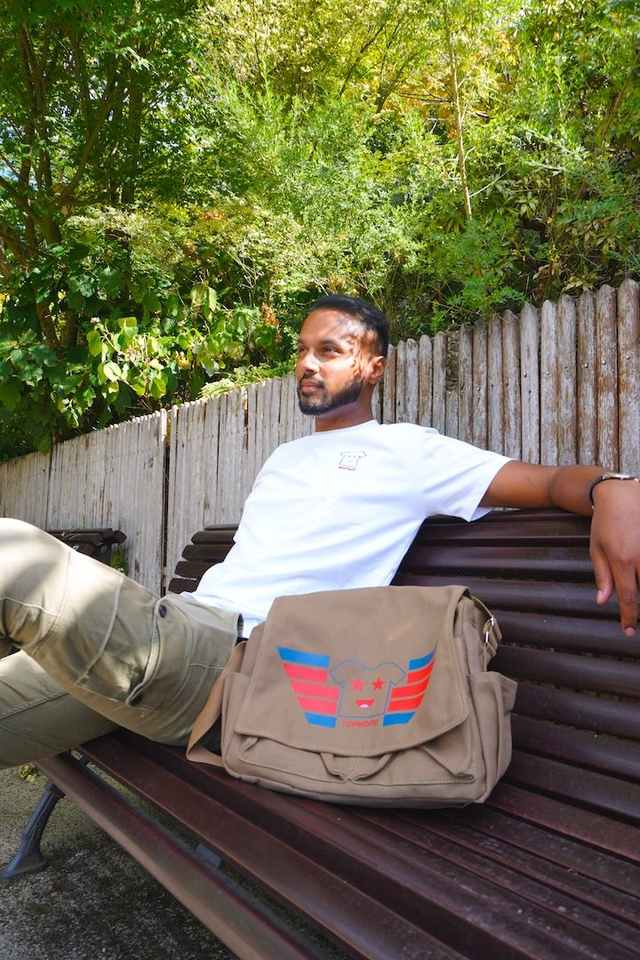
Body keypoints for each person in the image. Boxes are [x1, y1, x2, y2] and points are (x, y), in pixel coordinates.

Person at [0, 295, 638, 768]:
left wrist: (611, 486)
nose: (307, 364)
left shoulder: (408, 452)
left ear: (375, 368)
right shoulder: (284, 457)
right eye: (303, 350)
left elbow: (549, 482)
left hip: (237, 662)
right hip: (180, 635)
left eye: (329, 351)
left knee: (11, 550)